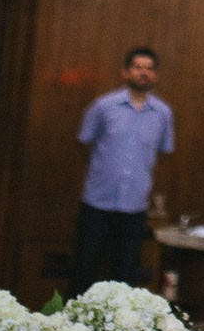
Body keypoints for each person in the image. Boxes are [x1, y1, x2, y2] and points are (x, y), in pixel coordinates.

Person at [69, 46, 174, 297]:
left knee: (125, 275)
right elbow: (84, 143)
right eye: (138, 67)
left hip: (134, 207)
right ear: (125, 72)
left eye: (149, 69)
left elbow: (163, 153)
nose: (144, 73)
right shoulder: (103, 106)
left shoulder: (162, 113)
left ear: (155, 76)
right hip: (97, 202)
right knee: (84, 268)